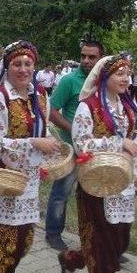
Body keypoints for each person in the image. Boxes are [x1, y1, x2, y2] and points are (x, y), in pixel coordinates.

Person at [0, 40, 60, 273]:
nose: (23, 69)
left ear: (35, 66)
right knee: (0, 244)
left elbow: (44, 131)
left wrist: (50, 145)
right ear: (7, 68)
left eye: (28, 64)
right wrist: (33, 143)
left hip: (29, 182)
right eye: (16, 64)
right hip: (2, 180)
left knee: (22, 243)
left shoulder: (41, 96)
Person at [57, 54, 137, 273]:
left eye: (128, 74)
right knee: (100, 241)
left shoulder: (129, 106)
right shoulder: (89, 106)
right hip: (96, 185)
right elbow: (81, 143)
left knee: (120, 241)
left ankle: (72, 258)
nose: (126, 78)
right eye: (120, 73)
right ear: (105, 77)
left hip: (123, 185)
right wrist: (118, 144)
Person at [44, 38, 104, 251]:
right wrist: (76, 131)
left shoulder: (104, 83)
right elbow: (50, 111)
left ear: (100, 59)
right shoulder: (69, 81)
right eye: (83, 56)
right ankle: (53, 233)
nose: (86, 61)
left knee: (94, 196)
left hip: (97, 152)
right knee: (62, 192)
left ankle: (95, 240)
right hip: (71, 149)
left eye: (92, 57)